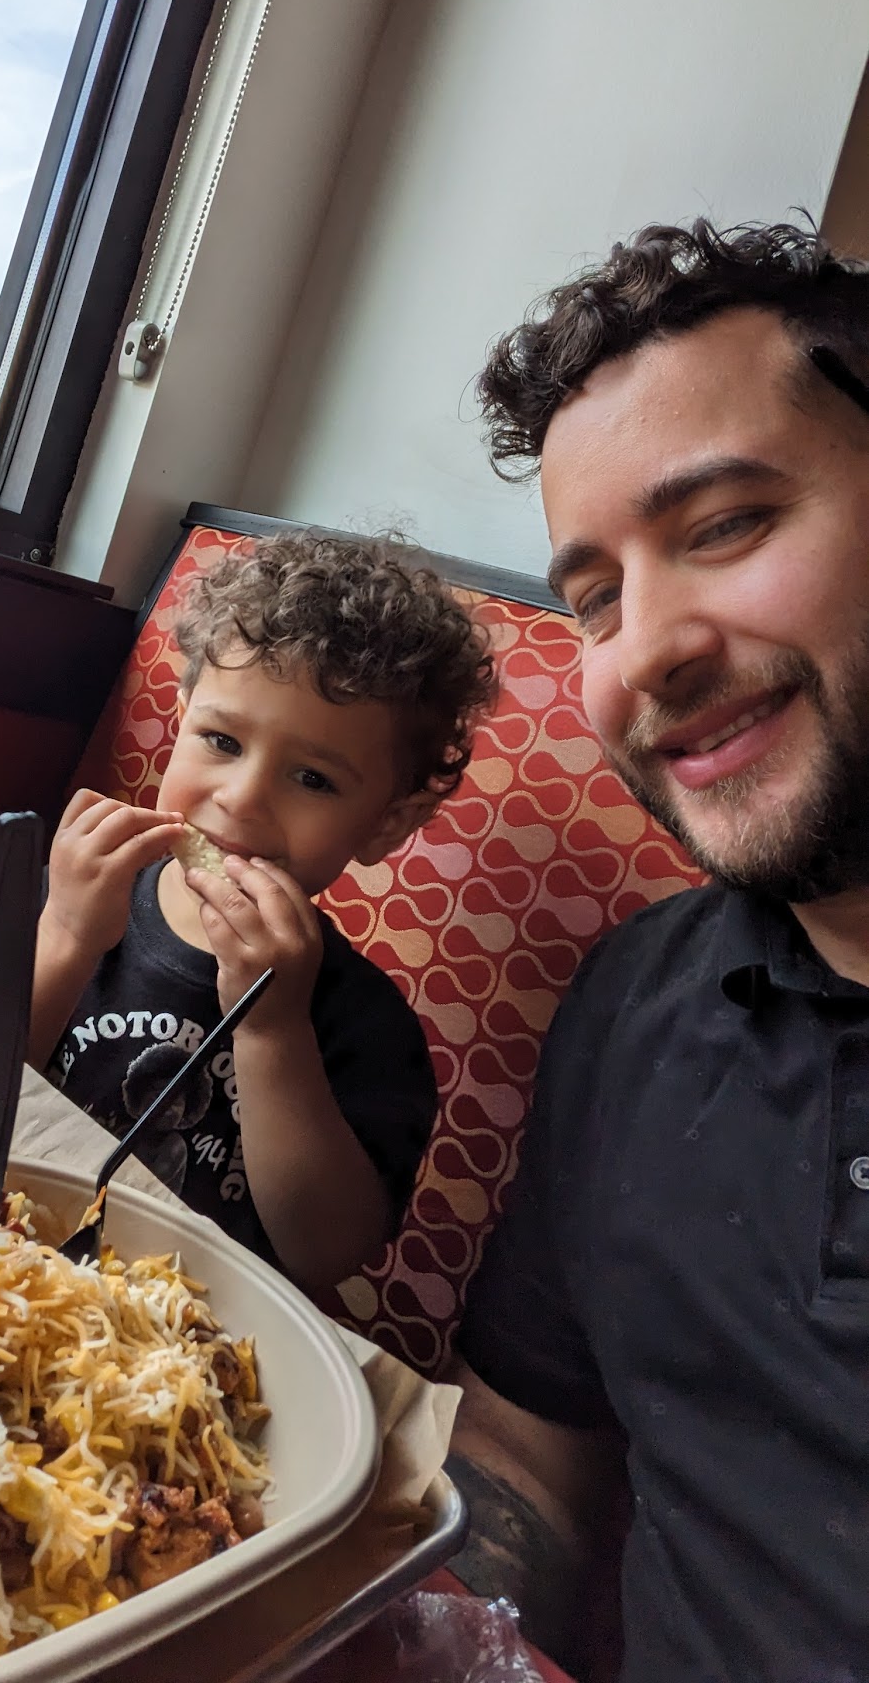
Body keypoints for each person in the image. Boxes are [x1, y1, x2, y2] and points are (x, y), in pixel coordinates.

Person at [448, 221, 869, 1683]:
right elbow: (524, 1455)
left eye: (726, 526)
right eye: (593, 599)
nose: (641, 651)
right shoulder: (634, 1002)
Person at [0, 530, 495, 1293]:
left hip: (184, 1323)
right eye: (222, 740)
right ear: (180, 722)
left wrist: (272, 1028)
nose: (242, 797)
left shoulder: (364, 1023)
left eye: (313, 778)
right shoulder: (75, 896)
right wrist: (63, 935)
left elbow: (325, 1253)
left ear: (387, 824)